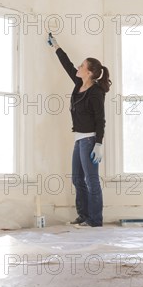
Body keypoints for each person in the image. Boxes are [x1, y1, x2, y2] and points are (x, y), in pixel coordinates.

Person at [48, 33, 111, 227]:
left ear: (90, 72)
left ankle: (95, 220)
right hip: (79, 139)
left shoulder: (96, 93)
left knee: (91, 180)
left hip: (90, 140)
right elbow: (67, 65)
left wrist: (98, 144)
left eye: (82, 66)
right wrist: (56, 46)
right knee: (77, 179)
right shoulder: (78, 86)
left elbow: (100, 120)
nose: (78, 67)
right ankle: (83, 215)